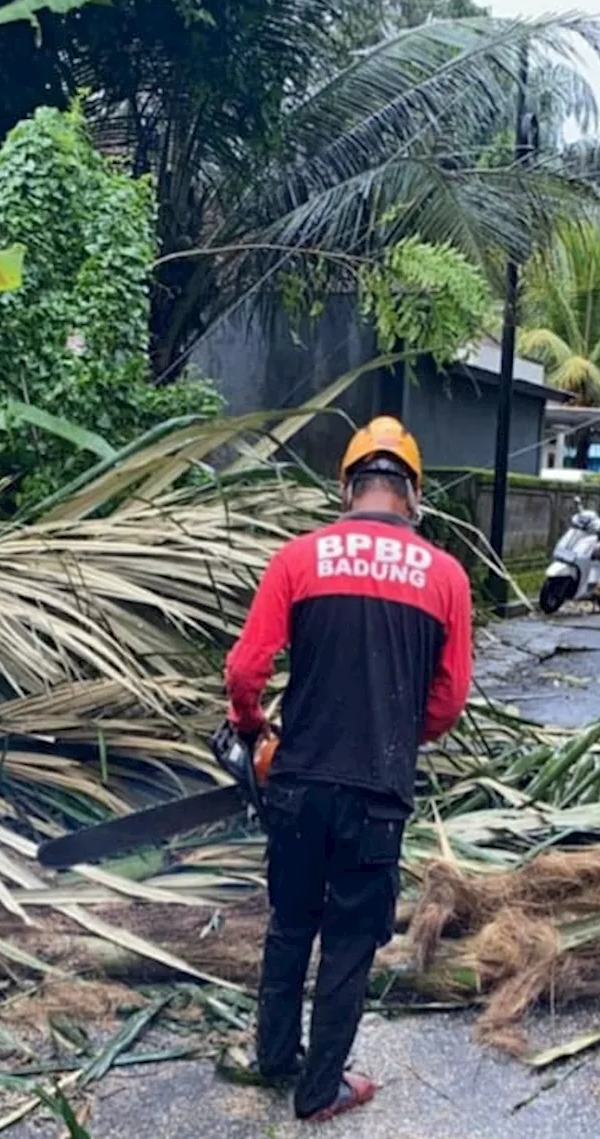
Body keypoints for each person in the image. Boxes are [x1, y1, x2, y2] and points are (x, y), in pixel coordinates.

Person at [222, 417, 473, 1122]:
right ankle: (320, 1086)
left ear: (347, 485)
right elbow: (448, 699)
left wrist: (251, 727)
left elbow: (246, 669)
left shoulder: (300, 558)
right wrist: (396, 732)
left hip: (298, 783)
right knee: (351, 941)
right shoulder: (446, 574)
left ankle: (276, 1056)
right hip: (378, 794)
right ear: (413, 493)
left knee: (290, 923)